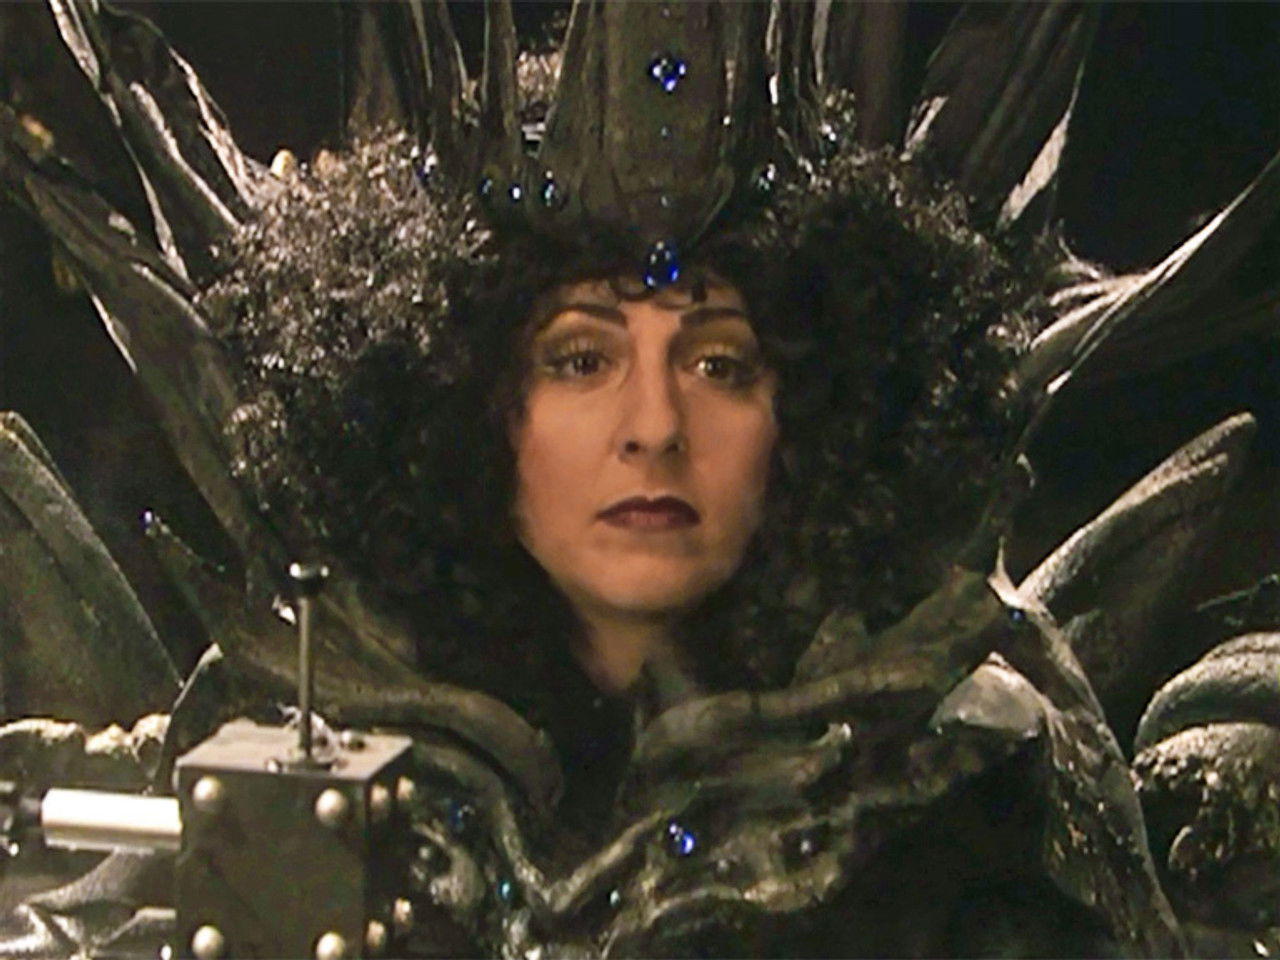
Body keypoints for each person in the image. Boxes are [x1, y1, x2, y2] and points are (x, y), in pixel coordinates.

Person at [0, 1, 1276, 956]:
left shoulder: (957, 784)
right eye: (581, 359)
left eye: (719, 363)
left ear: (810, 410)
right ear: (469, 403)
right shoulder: (302, 738)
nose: (653, 426)